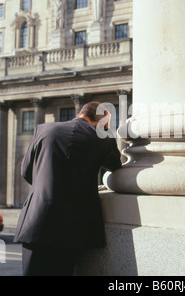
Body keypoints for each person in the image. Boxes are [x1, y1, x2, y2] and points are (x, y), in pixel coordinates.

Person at [14, 101, 122, 276]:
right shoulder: (102, 138)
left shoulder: (44, 129)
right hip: (73, 228)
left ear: (81, 113)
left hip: (37, 220)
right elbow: (116, 166)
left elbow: (26, 171)